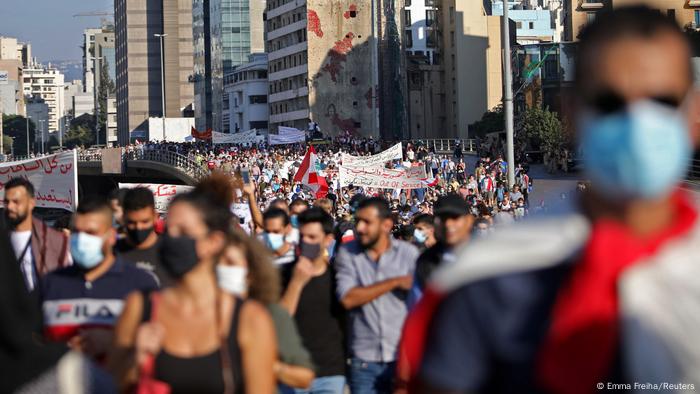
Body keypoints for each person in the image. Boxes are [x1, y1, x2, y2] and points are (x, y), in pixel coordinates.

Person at [411, 7, 700, 393]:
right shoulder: (490, 278)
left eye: (662, 102)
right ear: (573, 113)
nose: (638, 122)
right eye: (610, 102)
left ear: (691, 112)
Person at [111, 175, 276, 393]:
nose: (172, 238)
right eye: (169, 230)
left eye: (184, 232)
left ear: (213, 242)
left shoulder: (250, 319)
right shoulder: (140, 307)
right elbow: (110, 383)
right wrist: (135, 358)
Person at [40, 196, 158, 360]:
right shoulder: (50, 284)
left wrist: (115, 341)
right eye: (76, 232)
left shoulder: (140, 283)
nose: (82, 240)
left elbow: (158, 345)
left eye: (91, 233)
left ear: (111, 236)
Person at [335, 197, 418, 394]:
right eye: (358, 221)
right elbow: (348, 298)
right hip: (364, 361)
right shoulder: (347, 253)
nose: (360, 228)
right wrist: (395, 282)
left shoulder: (408, 254)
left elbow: (418, 308)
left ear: (386, 224)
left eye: (367, 222)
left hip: (401, 358)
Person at [218, 226, 315, 392]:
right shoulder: (195, 314)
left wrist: (267, 364)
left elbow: (303, 376)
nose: (222, 269)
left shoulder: (268, 314)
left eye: (230, 262)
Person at [279, 208, 346, 394]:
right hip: (292, 370)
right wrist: (296, 282)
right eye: (302, 236)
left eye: (312, 237)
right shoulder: (283, 274)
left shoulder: (339, 277)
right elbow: (278, 321)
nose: (305, 242)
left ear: (327, 240)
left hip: (329, 372)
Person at [3, 177, 71, 292]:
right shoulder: (4, 240)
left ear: (31, 203)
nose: (10, 207)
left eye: (16, 202)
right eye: (6, 202)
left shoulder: (57, 242)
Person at [406, 195, 474, 308]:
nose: (448, 224)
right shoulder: (426, 262)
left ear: (469, 220)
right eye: (443, 219)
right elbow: (418, 309)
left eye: (454, 218)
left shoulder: (487, 257)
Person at [114, 187, 172, 287]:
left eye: (145, 221)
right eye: (132, 222)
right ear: (124, 218)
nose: (139, 227)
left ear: (155, 216)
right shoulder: (112, 253)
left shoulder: (170, 253)